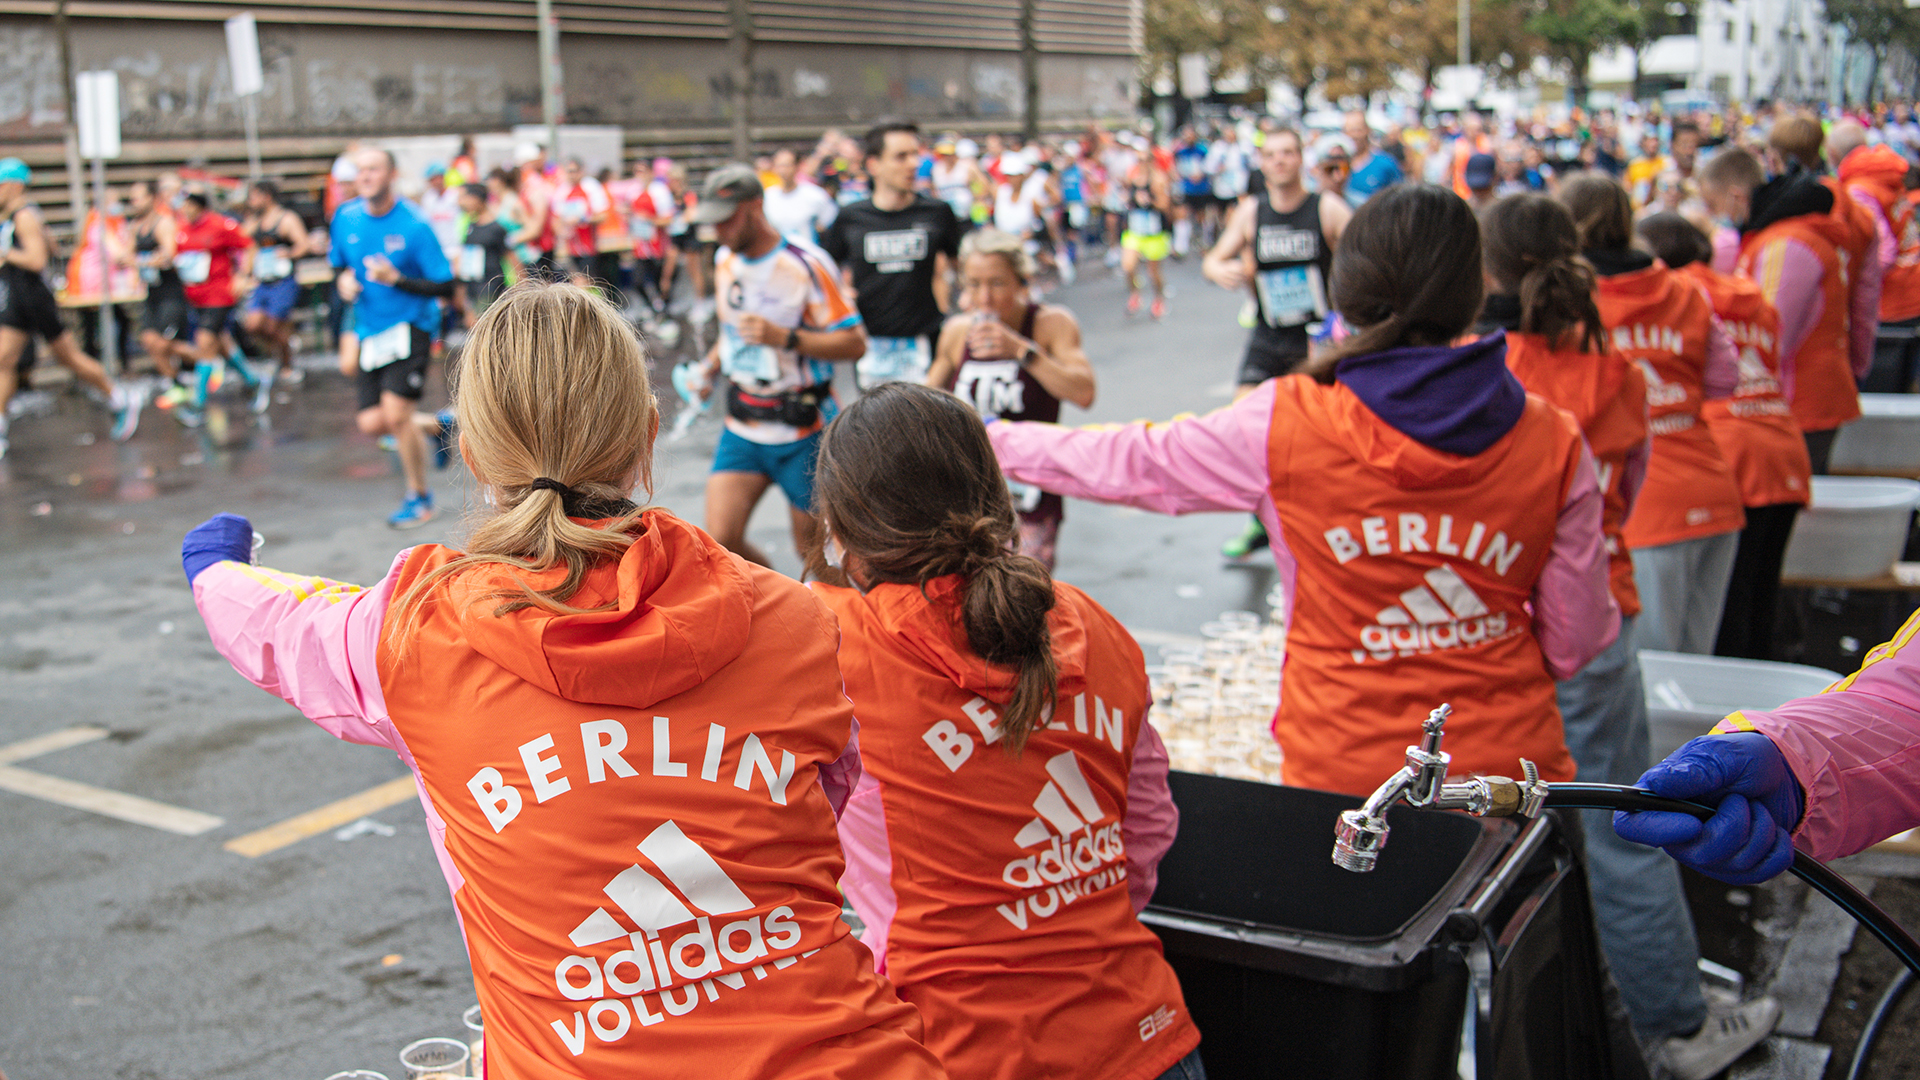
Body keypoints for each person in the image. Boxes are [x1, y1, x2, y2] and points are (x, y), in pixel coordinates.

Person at [180, 281, 947, 1080]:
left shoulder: (410, 633)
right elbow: (825, 802)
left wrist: (217, 568)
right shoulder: (793, 617)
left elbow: (285, 630)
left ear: (472, 454)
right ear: (648, 440)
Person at [989, 183, 1616, 797]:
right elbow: (1575, 642)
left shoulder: (1287, 423)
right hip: (1510, 775)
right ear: (1476, 289)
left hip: (1346, 777)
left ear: (1348, 288)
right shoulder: (1552, 437)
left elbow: (1133, 459)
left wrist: (990, 439)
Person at [806, 383, 1202, 1080]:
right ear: (993, 493)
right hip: (1144, 1035)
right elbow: (1145, 832)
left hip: (967, 1050)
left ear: (839, 530)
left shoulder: (834, 653)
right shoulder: (1089, 621)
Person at [1480, 196, 1782, 1079]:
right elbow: (1629, 486)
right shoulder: (1611, 373)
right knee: (1621, 824)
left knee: (1507, 832)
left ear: (1490, 272)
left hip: (1500, 624)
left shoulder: (1485, 370)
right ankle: (1674, 1019)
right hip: (1598, 618)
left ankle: (1613, 1017)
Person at [1560, 174, 1745, 656]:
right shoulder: (1684, 290)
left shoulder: (1572, 303)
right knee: (1694, 669)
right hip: (1712, 491)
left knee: (1656, 677)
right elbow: (1727, 379)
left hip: (1643, 504)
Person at [1635, 213, 1811, 664]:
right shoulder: (1752, 296)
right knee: (1754, 608)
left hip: (1715, 463)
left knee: (1696, 641)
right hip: (1779, 457)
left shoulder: (1674, 300)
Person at [691, 164, 866, 569]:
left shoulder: (806, 263)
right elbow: (733, 333)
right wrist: (710, 368)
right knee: (718, 544)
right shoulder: (725, 261)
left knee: (819, 561)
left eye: (726, 219)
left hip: (804, 428)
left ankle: (832, 624)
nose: (717, 231)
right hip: (744, 424)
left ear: (755, 207)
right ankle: (782, 596)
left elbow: (854, 343)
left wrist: (785, 338)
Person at [1201, 126, 1351, 562]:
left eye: (1288, 153)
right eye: (1272, 155)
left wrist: (1348, 310)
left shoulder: (1326, 209)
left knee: (1320, 437)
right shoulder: (1252, 212)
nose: (1280, 161)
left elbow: (1366, 254)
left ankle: (1320, 523)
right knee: (1245, 430)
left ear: (1301, 158)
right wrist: (1218, 270)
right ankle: (1259, 521)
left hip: (1318, 340)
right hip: (1269, 333)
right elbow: (1215, 256)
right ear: (1263, 164)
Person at [925, 228, 1094, 571]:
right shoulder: (958, 331)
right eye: (973, 284)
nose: (984, 298)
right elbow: (923, 405)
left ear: (1021, 282)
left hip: (1029, 493)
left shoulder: (1050, 324)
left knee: (1021, 594)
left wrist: (1021, 351)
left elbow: (1084, 392)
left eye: (997, 283)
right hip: (967, 494)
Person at [1702, 148, 1861, 475]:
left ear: (1734, 196)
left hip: (1801, 399)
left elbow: (1772, 330)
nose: (1714, 215)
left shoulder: (1785, 243)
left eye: (1713, 205)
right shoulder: (1781, 235)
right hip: (1797, 396)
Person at [330, 147, 456, 529]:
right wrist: (344, 282)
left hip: (410, 326)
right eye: (361, 170)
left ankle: (419, 498)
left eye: (374, 169)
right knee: (372, 422)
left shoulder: (415, 226)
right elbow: (338, 267)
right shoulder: (346, 217)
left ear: (392, 175)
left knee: (398, 417)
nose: (366, 176)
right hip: (371, 327)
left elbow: (445, 285)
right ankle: (438, 425)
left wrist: (397, 280)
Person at [0, 157, 141, 454]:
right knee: (3, 361)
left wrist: (6, 252)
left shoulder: (24, 216)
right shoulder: (14, 215)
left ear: (14, 184)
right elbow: (51, 246)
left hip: (34, 297)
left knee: (69, 358)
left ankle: (119, 397)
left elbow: (37, 260)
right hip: (14, 296)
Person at [819, 119, 961, 390]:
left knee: (928, 424)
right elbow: (825, 267)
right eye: (901, 156)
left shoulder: (937, 212)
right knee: (876, 426)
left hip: (924, 339)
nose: (913, 163)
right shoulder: (851, 216)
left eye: (915, 154)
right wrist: (841, 297)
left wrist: (957, 306)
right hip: (871, 342)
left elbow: (961, 264)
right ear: (873, 165)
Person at [174, 190, 268, 414]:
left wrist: (243, 276)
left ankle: (198, 403)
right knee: (222, 342)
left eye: (188, 204)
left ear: (199, 205)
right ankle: (253, 381)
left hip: (219, 296)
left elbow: (249, 245)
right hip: (196, 297)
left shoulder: (220, 225)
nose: (184, 209)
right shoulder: (183, 230)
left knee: (205, 343)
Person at [122, 180, 196, 417]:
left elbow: (169, 254)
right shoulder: (136, 227)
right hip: (152, 293)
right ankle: (177, 384)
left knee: (162, 343)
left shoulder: (163, 223)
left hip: (171, 293)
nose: (134, 204)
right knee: (148, 340)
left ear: (152, 199)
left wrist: (143, 261)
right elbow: (126, 255)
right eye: (131, 199)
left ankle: (208, 358)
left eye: (138, 198)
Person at [239, 180, 311, 386]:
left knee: (272, 327)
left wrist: (289, 253)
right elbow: (246, 244)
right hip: (263, 282)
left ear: (266, 196)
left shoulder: (286, 219)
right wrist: (245, 273)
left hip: (282, 281)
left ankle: (287, 361)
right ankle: (281, 348)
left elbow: (304, 244)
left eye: (253, 197)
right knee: (252, 325)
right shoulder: (255, 222)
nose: (251, 202)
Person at [1119, 152, 1173, 320]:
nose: (1140, 163)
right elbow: (1127, 197)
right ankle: (1135, 295)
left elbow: (1165, 205)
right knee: (1128, 266)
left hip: (1153, 234)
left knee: (1153, 272)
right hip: (1135, 231)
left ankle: (1159, 299)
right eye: (1138, 160)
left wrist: (1149, 201)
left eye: (1143, 160)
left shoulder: (1158, 179)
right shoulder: (1133, 177)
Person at [455, 183, 511, 322]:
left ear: (476, 198)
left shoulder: (497, 228)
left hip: (491, 287)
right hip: (473, 287)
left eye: (463, 197)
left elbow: (512, 258)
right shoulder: (470, 226)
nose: (460, 202)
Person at [763, 149, 839, 247]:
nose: (783, 170)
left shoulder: (815, 194)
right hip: (778, 254)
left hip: (807, 252)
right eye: (779, 166)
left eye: (787, 165)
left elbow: (829, 221)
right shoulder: (768, 196)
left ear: (797, 166)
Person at [1344, 110, 1403, 205]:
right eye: (1348, 131)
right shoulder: (1335, 167)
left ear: (1367, 130)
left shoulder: (1386, 164)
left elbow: (1400, 199)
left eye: (1357, 130)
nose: (1353, 135)